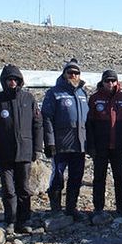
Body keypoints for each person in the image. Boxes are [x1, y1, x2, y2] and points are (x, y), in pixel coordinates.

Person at [0, 64, 43, 235]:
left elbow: (37, 124)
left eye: (15, 79)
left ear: (20, 81)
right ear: (4, 81)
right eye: (9, 79)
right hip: (4, 153)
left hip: (25, 152)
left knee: (23, 189)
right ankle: (10, 220)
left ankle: (24, 220)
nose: (12, 82)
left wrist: (37, 148)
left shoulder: (28, 99)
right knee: (8, 189)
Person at [41, 58, 89, 220]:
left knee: (76, 177)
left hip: (79, 145)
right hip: (61, 144)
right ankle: (55, 208)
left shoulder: (83, 93)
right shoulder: (54, 92)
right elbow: (46, 118)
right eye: (70, 73)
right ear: (64, 74)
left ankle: (71, 207)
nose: (73, 75)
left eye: (76, 73)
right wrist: (50, 142)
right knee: (58, 176)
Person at [86, 69, 122, 217]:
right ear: (102, 82)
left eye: (113, 81)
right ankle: (98, 207)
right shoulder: (94, 99)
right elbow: (89, 124)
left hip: (118, 146)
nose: (110, 84)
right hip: (100, 146)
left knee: (121, 178)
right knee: (99, 177)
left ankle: (121, 207)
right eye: (107, 81)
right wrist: (91, 145)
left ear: (117, 82)